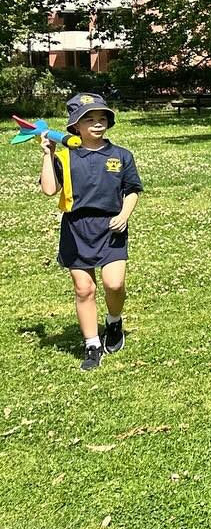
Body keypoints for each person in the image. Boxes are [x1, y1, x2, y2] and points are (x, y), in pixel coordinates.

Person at [36, 93, 141, 371]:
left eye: (102, 118)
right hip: (76, 228)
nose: (97, 123)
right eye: (89, 119)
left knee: (114, 284)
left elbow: (132, 190)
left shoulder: (121, 155)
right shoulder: (65, 155)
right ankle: (92, 344)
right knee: (84, 289)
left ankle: (114, 322)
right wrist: (47, 155)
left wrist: (123, 215)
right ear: (75, 126)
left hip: (111, 226)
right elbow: (49, 189)